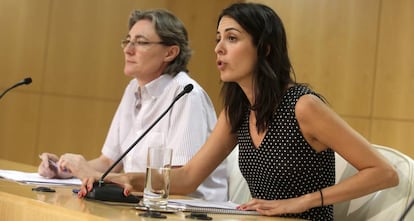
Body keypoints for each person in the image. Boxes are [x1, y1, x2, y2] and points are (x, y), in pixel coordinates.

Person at [79, 3, 399, 220]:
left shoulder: (304, 106)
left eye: (232, 38)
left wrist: (301, 201)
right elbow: (188, 177)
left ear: (266, 48)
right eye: (218, 38)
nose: (219, 48)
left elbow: (384, 173)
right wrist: (116, 179)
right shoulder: (238, 112)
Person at [38, 9, 228, 202]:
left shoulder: (186, 95)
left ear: (170, 52)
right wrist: (67, 169)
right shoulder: (133, 88)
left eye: (141, 42)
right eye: (127, 41)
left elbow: (179, 179)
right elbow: (110, 161)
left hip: (187, 209)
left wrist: (99, 173)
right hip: (142, 203)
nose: (128, 49)